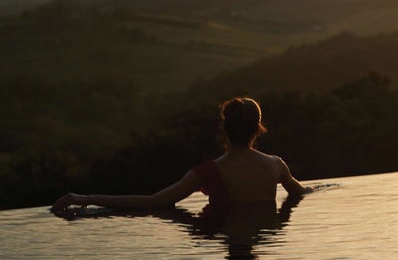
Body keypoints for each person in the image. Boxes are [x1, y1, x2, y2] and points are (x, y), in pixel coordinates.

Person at [52, 97, 310, 215]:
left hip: (219, 231)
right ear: (258, 129)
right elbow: (299, 194)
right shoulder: (276, 165)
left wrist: (86, 198)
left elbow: (152, 202)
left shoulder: (205, 173)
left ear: (225, 129)